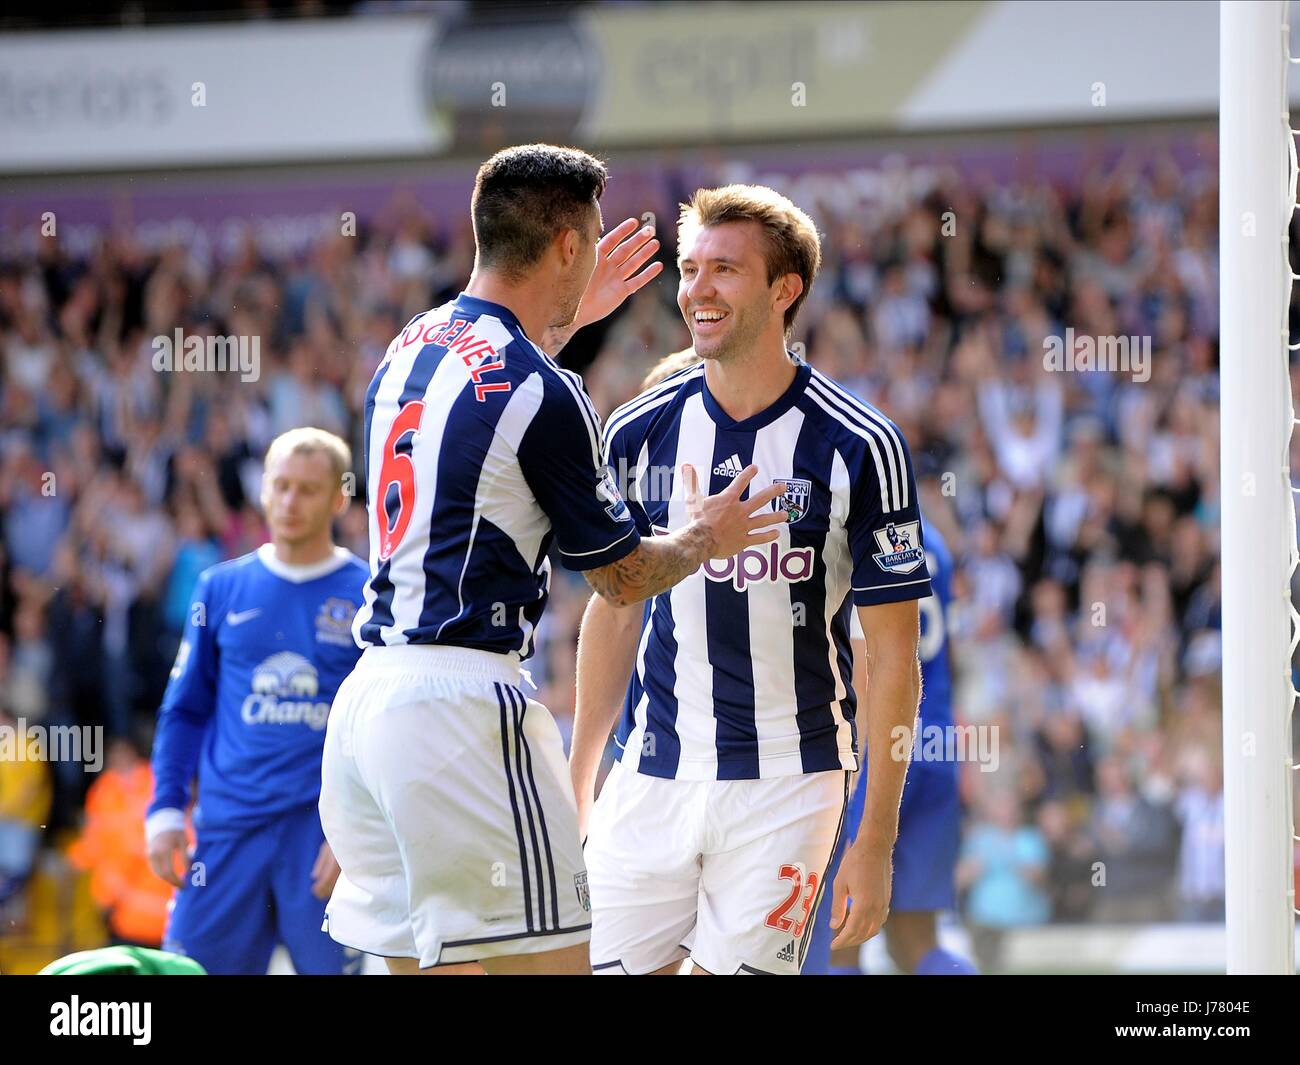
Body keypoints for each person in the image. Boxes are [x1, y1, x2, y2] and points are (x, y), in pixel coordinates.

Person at [319, 144, 788, 976]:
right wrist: (705, 534)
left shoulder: (408, 344)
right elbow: (620, 576)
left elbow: (487, 409)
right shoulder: (545, 388)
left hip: (367, 709)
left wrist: (563, 322)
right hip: (462, 710)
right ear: (568, 246)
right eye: (595, 233)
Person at [572, 184, 929, 975]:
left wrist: (874, 841)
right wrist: (580, 775)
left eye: (724, 269)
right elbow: (615, 608)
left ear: (784, 289)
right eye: (690, 268)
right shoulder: (637, 430)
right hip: (650, 773)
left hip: (789, 782)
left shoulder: (859, 446)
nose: (697, 289)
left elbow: (896, 658)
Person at [146, 428, 367, 975]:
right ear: (264, 490)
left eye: (309, 490)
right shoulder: (219, 588)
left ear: (339, 497)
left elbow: (382, 728)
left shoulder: (370, 595)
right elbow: (185, 709)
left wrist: (361, 829)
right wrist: (166, 809)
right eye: (281, 486)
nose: (290, 502)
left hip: (321, 837)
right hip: (228, 829)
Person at [805, 513, 977, 974]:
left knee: (839, 939)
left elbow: (868, 657)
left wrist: (852, 764)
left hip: (876, 746)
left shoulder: (859, 532)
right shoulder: (935, 543)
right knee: (918, 942)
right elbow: (948, 656)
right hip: (934, 742)